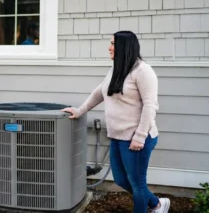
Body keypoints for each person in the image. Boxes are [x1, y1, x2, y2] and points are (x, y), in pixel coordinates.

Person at [62, 31, 170, 213]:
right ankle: (157, 204)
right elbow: (100, 92)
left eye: (113, 44)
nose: (109, 47)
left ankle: (153, 207)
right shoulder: (116, 69)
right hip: (118, 137)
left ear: (124, 47)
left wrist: (140, 136)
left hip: (137, 139)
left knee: (137, 184)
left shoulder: (143, 71)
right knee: (121, 179)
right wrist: (80, 110)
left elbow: (151, 106)